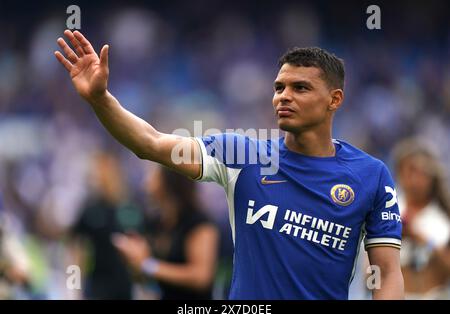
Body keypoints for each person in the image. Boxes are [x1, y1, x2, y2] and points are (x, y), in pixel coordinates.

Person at [54, 29, 404, 299]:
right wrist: (101, 100)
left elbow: (387, 273)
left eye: (300, 88)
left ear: (334, 99)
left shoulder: (370, 175)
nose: (284, 96)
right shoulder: (243, 155)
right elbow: (151, 143)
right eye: (279, 87)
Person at [112, 166, 219, 300]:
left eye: (152, 175)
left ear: (169, 180)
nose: (146, 183)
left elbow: (201, 277)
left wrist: (147, 264)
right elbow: (147, 277)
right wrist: (134, 259)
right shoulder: (156, 223)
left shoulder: (198, 223)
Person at [70, 151, 145, 299]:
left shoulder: (133, 208)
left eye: (104, 169)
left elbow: (144, 250)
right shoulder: (89, 209)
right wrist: (74, 287)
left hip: (125, 288)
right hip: (96, 288)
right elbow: (75, 251)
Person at [393, 140, 450, 299]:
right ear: (399, 173)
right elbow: (369, 271)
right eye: (410, 170)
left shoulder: (443, 217)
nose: (416, 180)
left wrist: (422, 239)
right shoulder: (387, 210)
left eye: (422, 173)